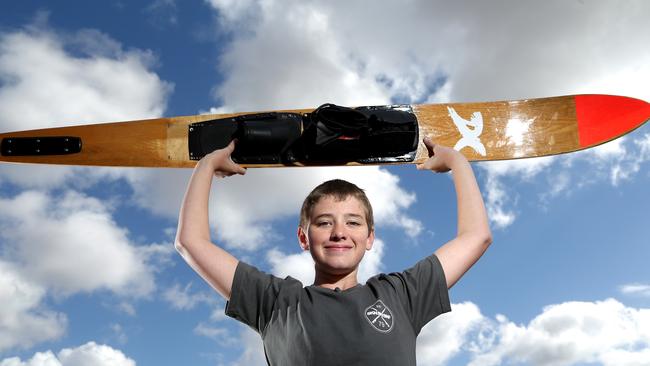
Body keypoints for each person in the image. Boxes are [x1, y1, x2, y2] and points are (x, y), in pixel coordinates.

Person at [175, 137, 492, 365]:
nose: (339, 232)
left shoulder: (401, 295)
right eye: (324, 223)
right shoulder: (275, 303)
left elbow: (476, 237)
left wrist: (457, 162)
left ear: (370, 237)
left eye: (353, 223)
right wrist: (206, 167)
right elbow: (191, 242)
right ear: (303, 237)